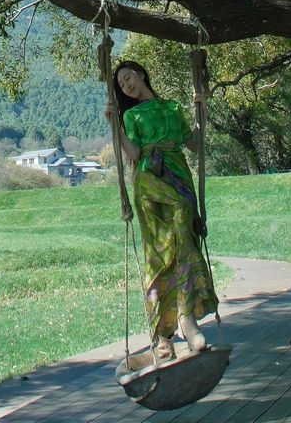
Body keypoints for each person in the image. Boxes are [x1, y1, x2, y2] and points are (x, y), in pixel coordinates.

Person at [106, 60, 219, 362]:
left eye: (128, 78)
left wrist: (202, 112)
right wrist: (115, 125)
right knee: (158, 252)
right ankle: (163, 334)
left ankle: (186, 321)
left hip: (179, 174)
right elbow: (133, 154)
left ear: (141, 74)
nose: (126, 85)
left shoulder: (171, 108)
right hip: (151, 180)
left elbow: (195, 143)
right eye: (121, 84)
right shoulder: (131, 115)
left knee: (184, 244)